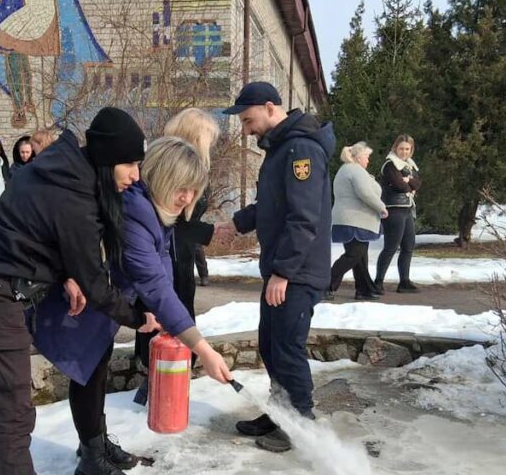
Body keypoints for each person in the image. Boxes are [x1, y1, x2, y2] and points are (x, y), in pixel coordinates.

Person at [0, 106, 159, 475]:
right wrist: (139, 318)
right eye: (130, 164)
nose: (135, 176)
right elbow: (96, 284)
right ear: (106, 160)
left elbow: (33, 229)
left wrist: (59, 271)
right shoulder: (76, 196)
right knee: (12, 414)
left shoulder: (55, 169)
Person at [34, 137, 234, 475]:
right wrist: (200, 347)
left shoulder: (152, 211)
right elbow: (152, 282)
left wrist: (171, 318)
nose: (187, 198)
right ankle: (91, 457)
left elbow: (161, 268)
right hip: (85, 301)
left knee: (96, 369)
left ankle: (94, 443)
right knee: (88, 372)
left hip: (106, 302)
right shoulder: (134, 212)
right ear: (163, 176)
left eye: (193, 190)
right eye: (182, 188)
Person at [224, 82, 335, 452]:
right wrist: (237, 224)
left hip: (297, 273)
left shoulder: (301, 150)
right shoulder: (281, 149)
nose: (245, 128)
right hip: (283, 269)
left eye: (248, 119)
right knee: (270, 346)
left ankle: (299, 422)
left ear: (270, 107)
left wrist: (283, 272)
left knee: (287, 347)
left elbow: (304, 219)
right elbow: (271, 206)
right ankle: (279, 412)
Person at [133, 107, 220, 406]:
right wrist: (210, 232)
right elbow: (179, 223)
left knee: (168, 309)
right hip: (168, 254)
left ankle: (165, 378)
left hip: (174, 256)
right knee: (162, 310)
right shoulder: (169, 170)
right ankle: (158, 379)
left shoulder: (184, 165)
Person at [328, 142, 387, 300]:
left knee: (360, 257)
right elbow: (366, 194)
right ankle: (325, 286)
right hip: (355, 220)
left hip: (350, 219)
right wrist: (381, 207)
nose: (368, 161)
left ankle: (364, 289)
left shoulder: (347, 169)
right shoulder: (355, 170)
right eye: (367, 157)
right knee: (353, 255)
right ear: (359, 157)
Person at [374, 134, 422, 293]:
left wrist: (410, 182)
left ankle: (404, 281)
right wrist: (409, 184)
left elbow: (419, 182)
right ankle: (378, 281)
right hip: (394, 209)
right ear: (395, 148)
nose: (404, 152)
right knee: (391, 246)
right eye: (401, 148)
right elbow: (398, 184)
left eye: (407, 149)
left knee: (408, 246)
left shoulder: (410, 165)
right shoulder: (390, 164)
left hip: (407, 209)